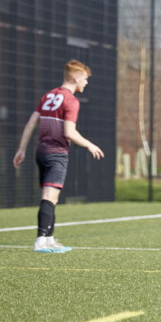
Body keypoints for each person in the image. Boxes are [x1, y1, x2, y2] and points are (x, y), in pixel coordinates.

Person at [13, 60, 104, 253]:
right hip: (56, 154)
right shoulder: (71, 100)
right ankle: (40, 240)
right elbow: (69, 132)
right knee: (49, 196)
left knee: (51, 198)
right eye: (85, 79)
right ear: (75, 77)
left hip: (41, 152)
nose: (86, 83)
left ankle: (49, 239)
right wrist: (90, 144)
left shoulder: (48, 96)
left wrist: (21, 149)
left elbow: (30, 123)